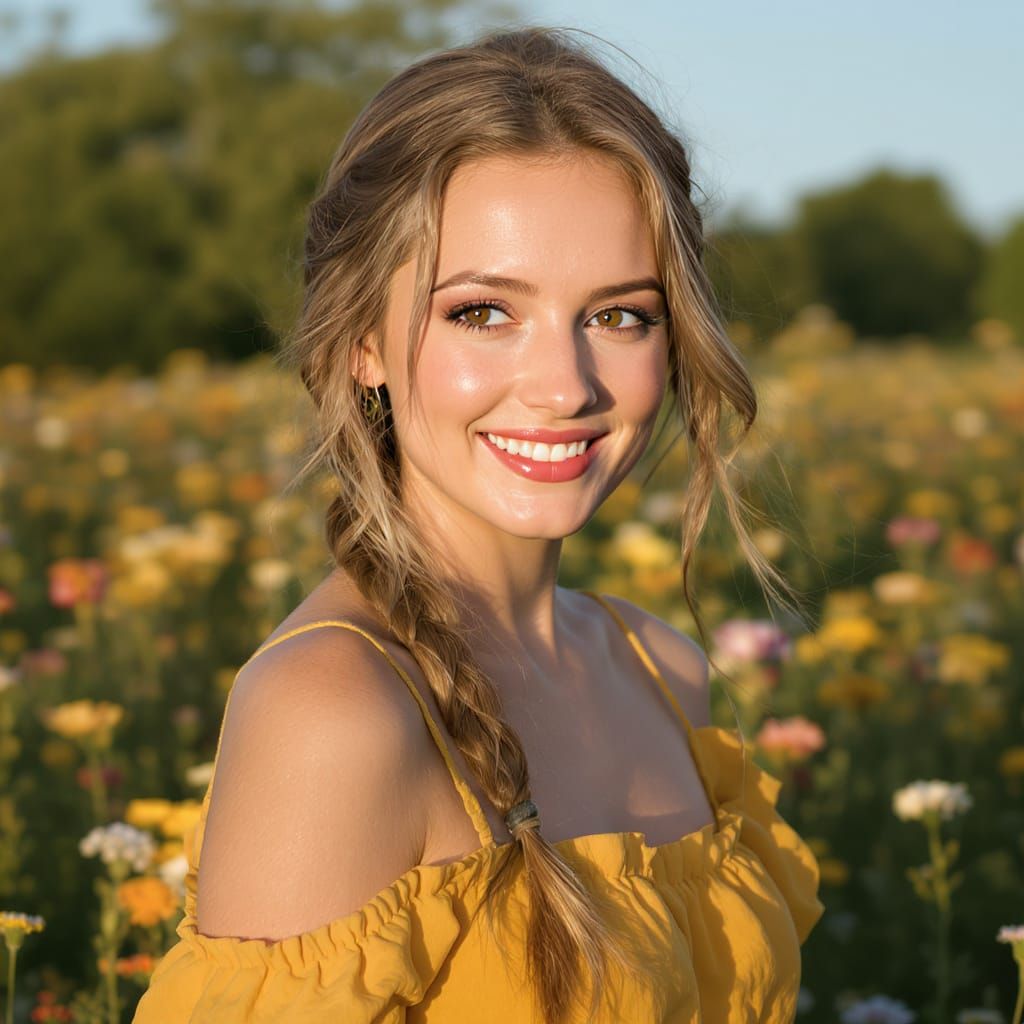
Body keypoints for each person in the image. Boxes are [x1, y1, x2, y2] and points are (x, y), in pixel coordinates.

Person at [133, 25, 824, 1024]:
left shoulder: (660, 666)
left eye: (619, 315)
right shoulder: (336, 712)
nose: (563, 386)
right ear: (362, 338)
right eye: (482, 313)